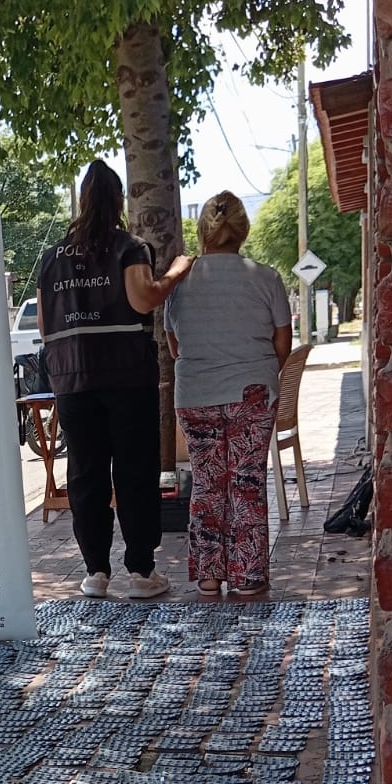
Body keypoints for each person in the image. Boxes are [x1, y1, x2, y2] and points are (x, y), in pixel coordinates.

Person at [38, 161, 192, 599]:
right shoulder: (130, 247)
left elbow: (47, 327)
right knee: (135, 471)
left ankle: (95, 572)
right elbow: (144, 300)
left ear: (82, 201)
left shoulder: (51, 258)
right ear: (118, 201)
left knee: (85, 473)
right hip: (127, 375)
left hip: (71, 377)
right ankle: (141, 572)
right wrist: (177, 271)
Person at [164, 190, 292, 597]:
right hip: (252, 392)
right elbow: (283, 343)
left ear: (203, 231)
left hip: (195, 393)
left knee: (206, 482)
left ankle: (208, 575)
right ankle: (248, 576)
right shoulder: (266, 277)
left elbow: (174, 346)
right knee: (247, 481)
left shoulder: (179, 283)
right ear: (243, 231)